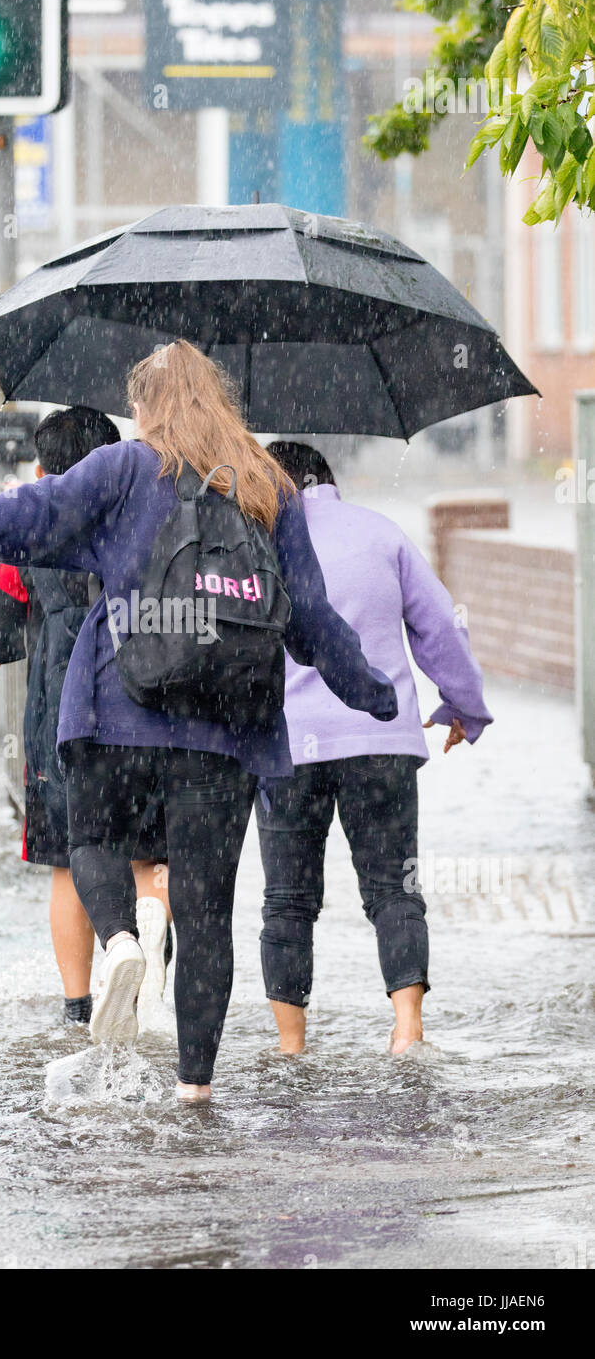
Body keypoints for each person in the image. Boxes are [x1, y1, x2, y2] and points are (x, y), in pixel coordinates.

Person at [0, 341, 398, 1102]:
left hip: (117, 714)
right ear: (219, 400)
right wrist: (373, 692)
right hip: (225, 735)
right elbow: (312, 620)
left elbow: (25, 519)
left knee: (93, 841)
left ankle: (121, 940)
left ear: (146, 406)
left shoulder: (124, 468)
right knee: (205, 916)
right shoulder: (267, 484)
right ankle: (196, 1092)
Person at [0, 406, 171, 1027]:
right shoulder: (149, 523)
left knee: (70, 862)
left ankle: (78, 1007)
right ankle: (147, 973)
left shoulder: (29, 538)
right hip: (144, 713)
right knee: (149, 858)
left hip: (60, 727)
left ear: (44, 470)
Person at [257, 441, 493, 1057]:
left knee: (287, 900)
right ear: (328, 481)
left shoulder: (257, 545)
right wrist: (465, 705)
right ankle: (408, 1031)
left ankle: (291, 1047)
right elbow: (441, 624)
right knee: (395, 888)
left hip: (288, 746)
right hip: (381, 738)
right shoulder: (381, 533)